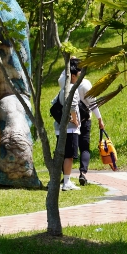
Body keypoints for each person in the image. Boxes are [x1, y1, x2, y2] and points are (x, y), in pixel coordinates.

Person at [58, 57, 106, 186]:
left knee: (67, 150)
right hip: (84, 120)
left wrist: (68, 61)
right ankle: (83, 173)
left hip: (69, 121)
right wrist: (100, 119)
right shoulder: (85, 84)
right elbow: (93, 104)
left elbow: (62, 75)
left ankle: (66, 176)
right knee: (84, 148)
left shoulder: (64, 82)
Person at [53, 62, 82, 191]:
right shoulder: (71, 88)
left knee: (63, 155)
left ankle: (60, 181)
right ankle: (66, 182)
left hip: (60, 128)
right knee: (69, 156)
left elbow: (53, 102)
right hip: (70, 128)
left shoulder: (63, 88)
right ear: (73, 76)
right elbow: (73, 107)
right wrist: (75, 120)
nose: (81, 76)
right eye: (79, 74)